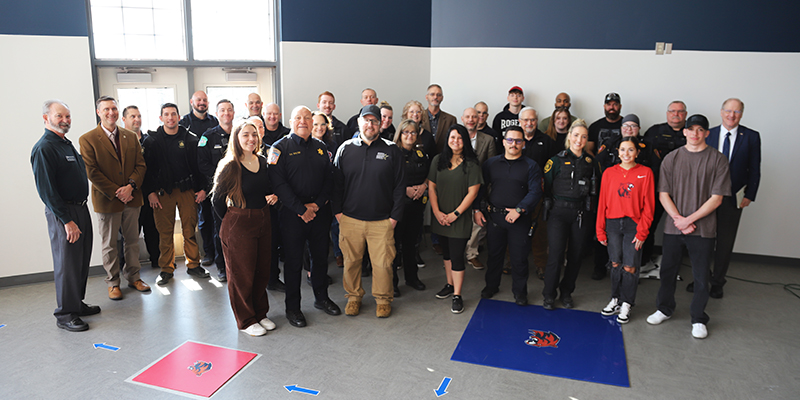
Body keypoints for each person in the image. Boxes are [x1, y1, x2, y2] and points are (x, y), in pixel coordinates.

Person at [646, 114, 730, 339]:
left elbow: (717, 198)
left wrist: (688, 220)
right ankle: (664, 308)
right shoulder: (671, 159)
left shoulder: (718, 159)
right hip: (674, 227)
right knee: (667, 271)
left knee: (701, 275)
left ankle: (698, 318)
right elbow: (663, 194)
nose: (695, 134)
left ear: (706, 133)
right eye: (691, 129)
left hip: (702, 229)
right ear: (684, 131)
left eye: (700, 130)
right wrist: (678, 219)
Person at [269, 106, 342, 327]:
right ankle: (293, 308)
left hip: (318, 213)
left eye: (307, 118)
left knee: (320, 258)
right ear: (291, 121)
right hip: (293, 215)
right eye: (298, 118)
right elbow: (278, 183)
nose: (303, 121)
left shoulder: (321, 147)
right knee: (292, 263)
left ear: (313, 122)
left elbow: (330, 179)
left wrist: (317, 205)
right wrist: (301, 209)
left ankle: (322, 298)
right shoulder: (279, 148)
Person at [31, 100, 100, 332]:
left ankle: (76, 304)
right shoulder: (44, 148)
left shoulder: (65, 144)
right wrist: (66, 220)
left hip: (79, 209)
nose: (65, 120)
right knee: (67, 263)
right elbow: (47, 190)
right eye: (60, 116)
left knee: (80, 260)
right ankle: (65, 314)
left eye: (68, 116)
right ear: (45, 118)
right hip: (64, 213)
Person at [333, 104, 405, 318]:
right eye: (367, 120)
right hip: (350, 219)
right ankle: (353, 298)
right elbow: (336, 184)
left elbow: (400, 186)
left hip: (382, 221)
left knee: (382, 265)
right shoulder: (345, 148)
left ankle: (383, 300)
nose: (370, 124)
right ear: (359, 122)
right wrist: (338, 214)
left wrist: (394, 218)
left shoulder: (392, 150)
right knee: (351, 263)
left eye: (374, 121)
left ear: (381, 124)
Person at [687, 98, 760, 298]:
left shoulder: (751, 137)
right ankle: (701, 278)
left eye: (736, 112)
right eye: (728, 111)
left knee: (725, 243)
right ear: (721, 112)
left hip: (732, 197)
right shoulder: (708, 134)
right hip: (705, 197)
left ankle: (718, 282)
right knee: (703, 241)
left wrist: (749, 195)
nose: (731, 115)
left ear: (741, 114)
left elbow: (755, 168)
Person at [79, 96, 149, 300]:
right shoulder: (88, 139)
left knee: (132, 241)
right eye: (107, 109)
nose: (112, 113)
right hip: (107, 199)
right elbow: (91, 172)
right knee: (110, 244)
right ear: (99, 112)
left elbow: (141, 165)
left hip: (132, 197)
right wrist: (118, 191)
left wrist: (130, 187)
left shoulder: (130, 136)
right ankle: (113, 282)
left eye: (114, 109)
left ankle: (134, 277)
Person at [212, 120, 276, 337]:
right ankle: (246, 319)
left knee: (261, 271)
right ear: (236, 140)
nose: (251, 139)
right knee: (242, 275)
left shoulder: (264, 162)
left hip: (263, 220)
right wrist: (233, 222)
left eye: (254, 135)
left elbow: (268, 189)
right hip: (239, 223)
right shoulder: (231, 165)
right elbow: (217, 202)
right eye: (245, 135)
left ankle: (260, 313)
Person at [142, 103, 210, 285]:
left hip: (187, 191)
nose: (170, 118)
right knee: (165, 233)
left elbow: (199, 167)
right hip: (162, 193)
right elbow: (146, 170)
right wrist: (150, 192)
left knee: (189, 230)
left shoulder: (191, 139)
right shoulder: (152, 141)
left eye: (173, 114)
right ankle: (166, 268)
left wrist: (203, 188)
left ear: (179, 117)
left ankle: (194, 264)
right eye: (166, 114)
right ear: (161, 118)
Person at [475, 126, 543, 306]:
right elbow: (481, 189)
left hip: (519, 219)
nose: (514, 144)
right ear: (504, 142)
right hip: (495, 217)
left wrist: (519, 209)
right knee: (494, 256)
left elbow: (535, 192)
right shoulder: (491, 164)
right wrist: (478, 209)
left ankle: (520, 293)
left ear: (523, 144)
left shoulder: (531, 165)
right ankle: (491, 286)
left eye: (518, 141)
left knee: (519, 258)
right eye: (510, 140)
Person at [597, 136, 655, 324]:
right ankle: (615, 298)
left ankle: (627, 302)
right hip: (612, 224)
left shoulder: (645, 173)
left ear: (637, 152)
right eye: (623, 149)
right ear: (617, 152)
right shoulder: (608, 173)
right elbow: (602, 202)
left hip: (633, 225)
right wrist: (600, 229)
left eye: (631, 150)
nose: (626, 153)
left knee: (630, 266)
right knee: (615, 263)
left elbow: (649, 205)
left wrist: (642, 231)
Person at [541, 119, 598, 310]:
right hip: (558, 212)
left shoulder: (591, 162)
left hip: (580, 213)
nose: (579, 140)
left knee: (575, 256)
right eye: (576, 135)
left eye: (583, 137)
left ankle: (566, 292)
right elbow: (546, 186)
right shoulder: (555, 161)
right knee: (556, 255)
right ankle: (549, 294)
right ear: (569, 137)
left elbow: (594, 189)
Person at [428, 124, 483, 314]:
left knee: (458, 255)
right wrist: (436, 212)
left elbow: (473, 192)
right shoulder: (438, 160)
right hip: (440, 216)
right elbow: (432, 187)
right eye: (452, 138)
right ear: (447, 140)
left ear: (465, 141)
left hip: (459, 218)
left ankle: (457, 295)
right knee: (447, 254)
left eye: (460, 138)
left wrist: (455, 214)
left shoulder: (471, 164)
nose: (456, 141)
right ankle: (449, 284)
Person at [641, 101, 688, 275]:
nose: (676, 114)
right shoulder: (654, 132)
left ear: (685, 114)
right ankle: (644, 261)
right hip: (657, 188)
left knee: (681, 227)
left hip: (683, 190)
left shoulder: (691, 133)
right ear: (667, 113)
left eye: (680, 111)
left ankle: (675, 265)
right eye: (672, 111)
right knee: (649, 224)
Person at [197, 99, 236, 281]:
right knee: (220, 229)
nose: (226, 113)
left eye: (229, 110)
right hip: (219, 191)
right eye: (222, 110)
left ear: (233, 113)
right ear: (217, 113)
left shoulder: (239, 133)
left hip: (239, 191)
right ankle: (222, 267)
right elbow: (202, 164)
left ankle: (237, 265)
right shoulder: (208, 136)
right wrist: (221, 180)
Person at [179, 91, 219, 266]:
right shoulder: (184, 123)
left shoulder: (214, 122)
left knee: (218, 217)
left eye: (204, 100)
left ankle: (220, 252)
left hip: (215, 178)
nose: (201, 103)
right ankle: (208, 252)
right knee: (203, 220)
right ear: (191, 102)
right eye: (198, 100)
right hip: (196, 180)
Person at [391, 119, 429, 296]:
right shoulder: (392, 153)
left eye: (413, 132)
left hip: (416, 206)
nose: (409, 135)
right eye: (406, 132)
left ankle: (412, 278)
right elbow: (385, 180)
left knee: (411, 244)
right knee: (393, 245)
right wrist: (404, 189)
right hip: (397, 207)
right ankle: (392, 283)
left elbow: (430, 175)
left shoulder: (421, 154)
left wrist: (424, 186)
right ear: (400, 134)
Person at [519, 107, 556, 279]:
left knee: (540, 232)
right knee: (515, 229)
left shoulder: (546, 141)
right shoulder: (514, 138)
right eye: (526, 120)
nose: (529, 123)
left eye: (532, 120)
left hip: (539, 193)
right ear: (520, 121)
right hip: (516, 192)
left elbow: (553, 169)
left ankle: (541, 264)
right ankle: (512, 261)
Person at [123, 105, 159, 267]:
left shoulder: (149, 141)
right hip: (129, 195)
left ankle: (157, 261)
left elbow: (153, 169)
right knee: (130, 234)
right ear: (124, 120)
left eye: (138, 116)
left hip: (148, 194)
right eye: (132, 116)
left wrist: (152, 191)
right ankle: (129, 266)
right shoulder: (119, 142)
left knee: (152, 229)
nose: (136, 119)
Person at [462, 107, 496, 270]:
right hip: (458, 186)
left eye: (474, 117)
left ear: (479, 119)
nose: (471, 119)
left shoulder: (488, 139)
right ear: (462, 119)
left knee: (477, 223)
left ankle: (472, 254)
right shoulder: (456, 136)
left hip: (479, 186)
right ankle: (454, 255)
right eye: (468, 116)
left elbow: (490, 165)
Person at [311, 111, 344, 269]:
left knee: (334, 226)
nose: (319, 127)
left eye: (323, 124)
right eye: (315, 124)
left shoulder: (332, 144)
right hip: (314, 197)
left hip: (331, 191)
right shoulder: (306, 144)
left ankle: (338, 254)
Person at [419, 84, 457, 153]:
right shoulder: (419, 117)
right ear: (426, 97)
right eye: (432, 94)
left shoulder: (451, 120)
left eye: (438, 95)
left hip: (443, 158)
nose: (435, 97)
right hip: (422, 158)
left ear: (442, 98)